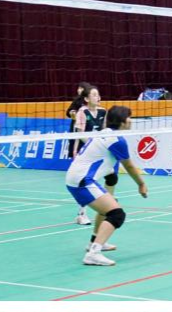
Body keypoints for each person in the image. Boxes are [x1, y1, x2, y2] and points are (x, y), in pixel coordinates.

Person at [63, 105, 148, 267]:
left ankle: (94, 242)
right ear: (122, 121)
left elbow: (108, 168)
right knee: (117, 214)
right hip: (82, 181)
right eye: (129, 117)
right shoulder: (117, 140)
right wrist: (141, 184)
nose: (131, 120)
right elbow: (129, 166)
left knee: (108, 206)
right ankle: (93, 254)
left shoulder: (104, 133)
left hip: (77, 177)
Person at [65, 82, 108, 225]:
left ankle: (104, 208)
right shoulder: (82, 112)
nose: (97, 97)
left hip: (97, 152)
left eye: (98, 95)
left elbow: (104, 131)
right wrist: (94, 144)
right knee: (82, 182)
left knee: (95, 180)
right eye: (94, 95)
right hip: (82, 152)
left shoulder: (103, 112)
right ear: (87, 99)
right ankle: (82, 214)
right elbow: (80, 134)